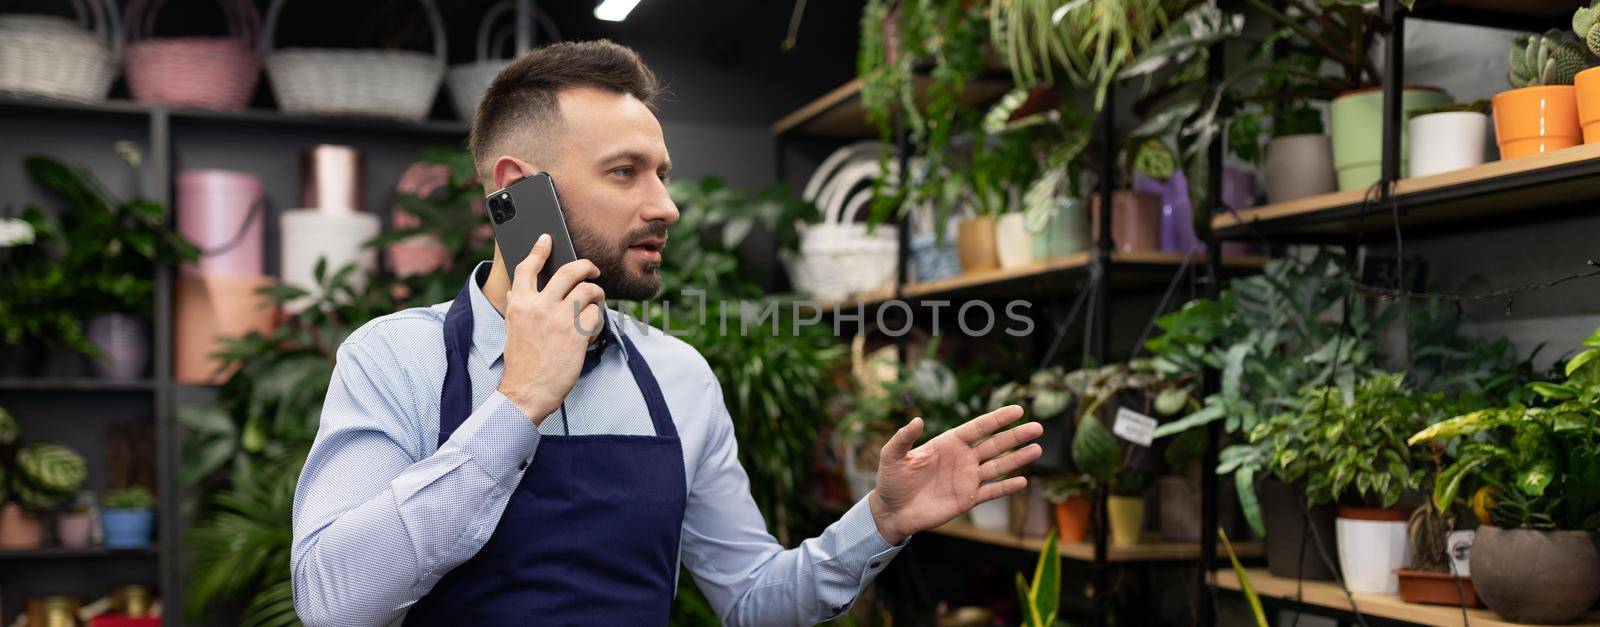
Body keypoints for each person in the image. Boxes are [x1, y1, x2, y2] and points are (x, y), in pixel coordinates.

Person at [290, 40, 1043, 626]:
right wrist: (517, 402)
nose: (666, 206)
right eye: (625, 173)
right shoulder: (395, 360)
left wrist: (879, 521)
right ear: (516, 186)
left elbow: (751, 601)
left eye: (664, 173)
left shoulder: (678, 377)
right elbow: (332, 601)